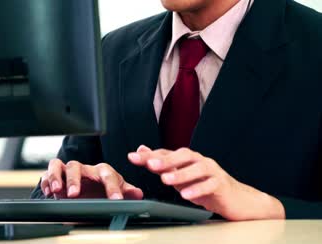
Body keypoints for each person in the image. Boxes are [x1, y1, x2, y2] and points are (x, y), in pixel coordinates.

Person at [31, 0, 322, 220]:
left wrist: (265, 207)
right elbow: (47, 195)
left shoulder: (313, 45)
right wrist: (75, 199)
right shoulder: (112, 52)